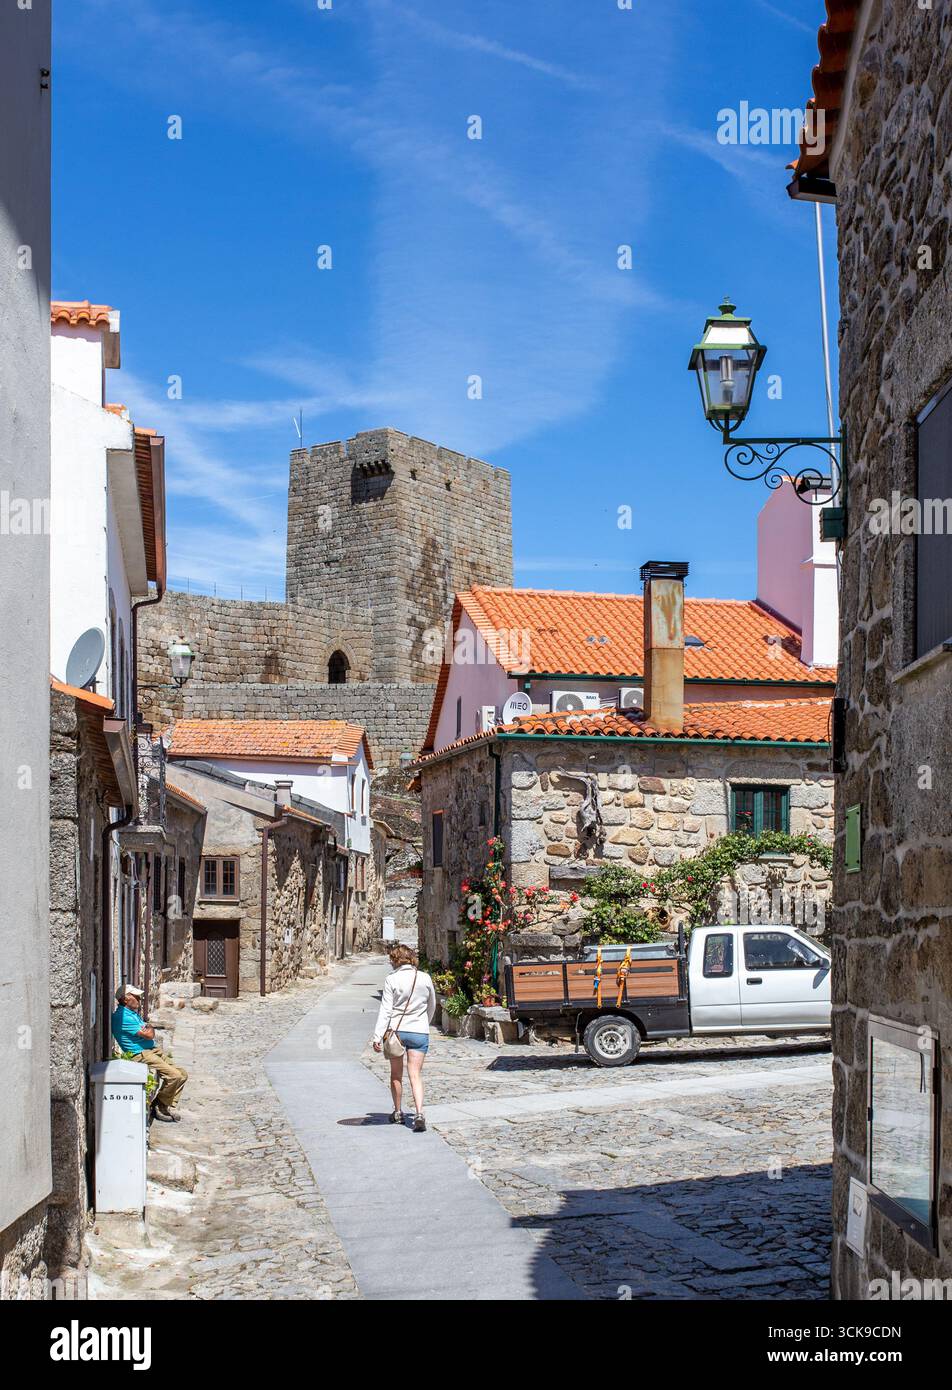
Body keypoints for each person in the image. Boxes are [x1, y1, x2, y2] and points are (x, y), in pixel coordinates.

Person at [372, 945, 436, 1132]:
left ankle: (398, 1112)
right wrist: (424, 1023)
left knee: (396, 1075)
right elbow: (432, 1005)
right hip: (419, 1031)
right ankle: (419, 1113)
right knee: (415, 1074)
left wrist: (377, 1036)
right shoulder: (424, 978)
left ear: (395, 960)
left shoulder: (392, 979)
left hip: (397, 1032)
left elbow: (386, 1010)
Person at [111, 983, 188, 1123]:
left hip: (151, 1050)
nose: (140, 1000)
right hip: (140, 1054)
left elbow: (148, 1031)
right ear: (126, 999)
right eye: (136, 997)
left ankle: (163, 1105)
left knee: (183, 1074)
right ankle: (159, 1106)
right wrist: (149, 1027)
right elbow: (149, 1035)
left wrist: (149, 1028)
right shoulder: (122, 1017)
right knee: (175, 1076)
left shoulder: (132, 1014)